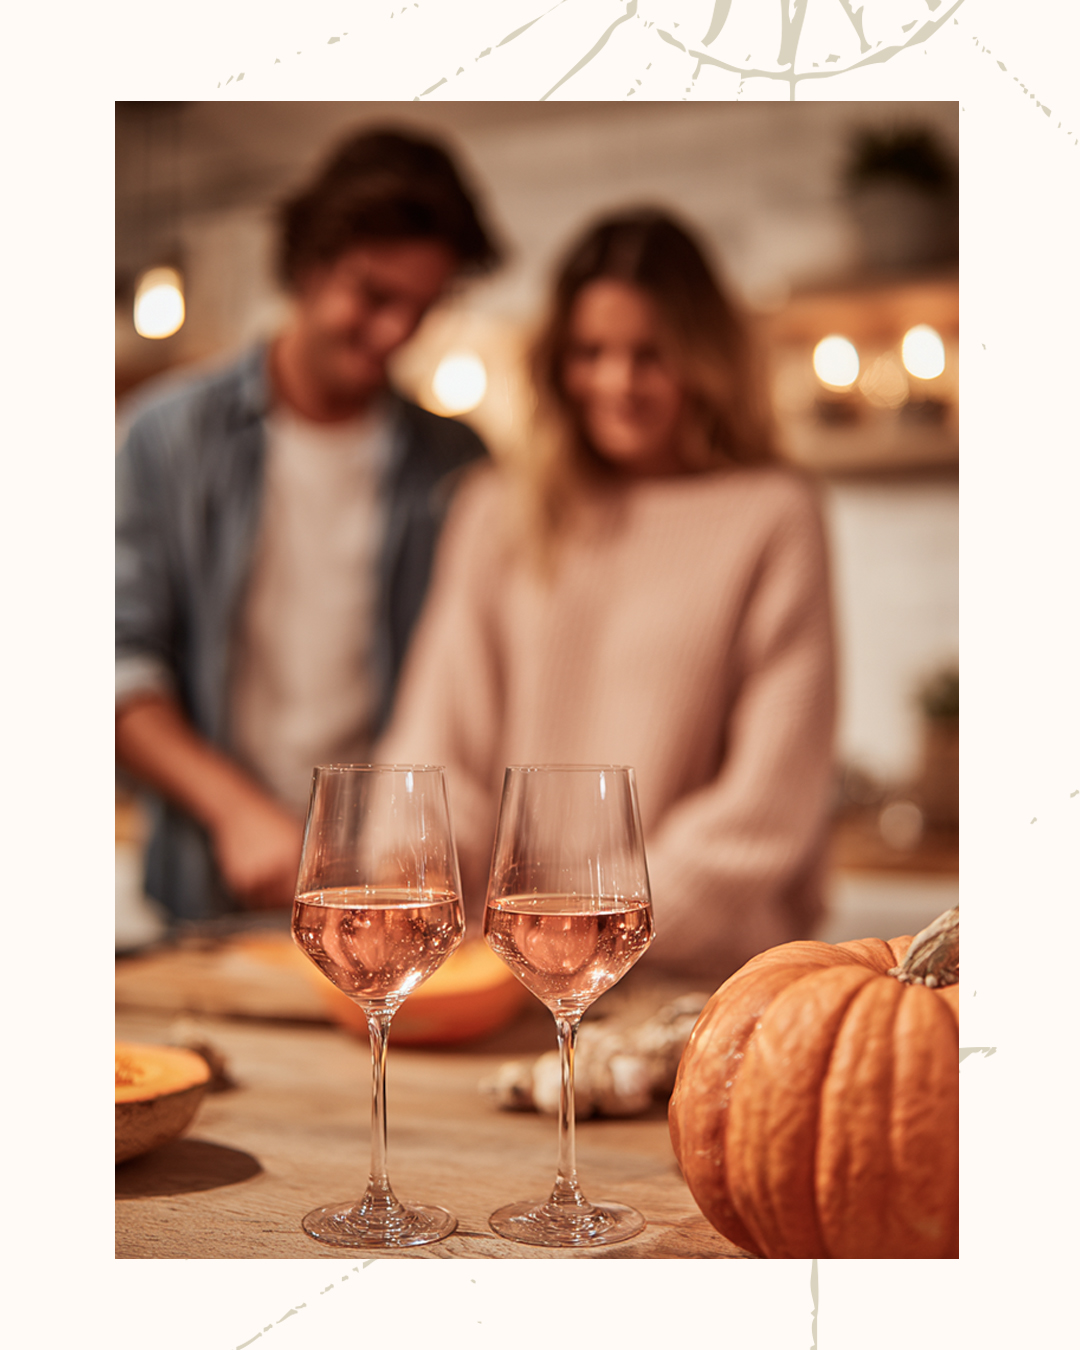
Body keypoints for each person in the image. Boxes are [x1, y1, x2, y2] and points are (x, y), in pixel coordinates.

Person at [377, 208, 836, 983]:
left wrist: (594, 933)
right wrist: (402, 878)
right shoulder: (495, 508)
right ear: (557, 362)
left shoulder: (774, 514)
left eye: (649, 354)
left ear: (704, 360)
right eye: (591, 353)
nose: (616, 383)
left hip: (701, 983)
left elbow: (768, 800)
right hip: (508, 978)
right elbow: (437, 740)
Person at [116, 128, 502, 923]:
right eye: (372, 295)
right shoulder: (165, 437)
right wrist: (235, 811)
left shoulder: (456, 461)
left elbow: (474, 680)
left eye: (420, 308)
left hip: (394, 885)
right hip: (210, 881)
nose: (395, 333)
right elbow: (117, 664)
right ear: (305, 264)